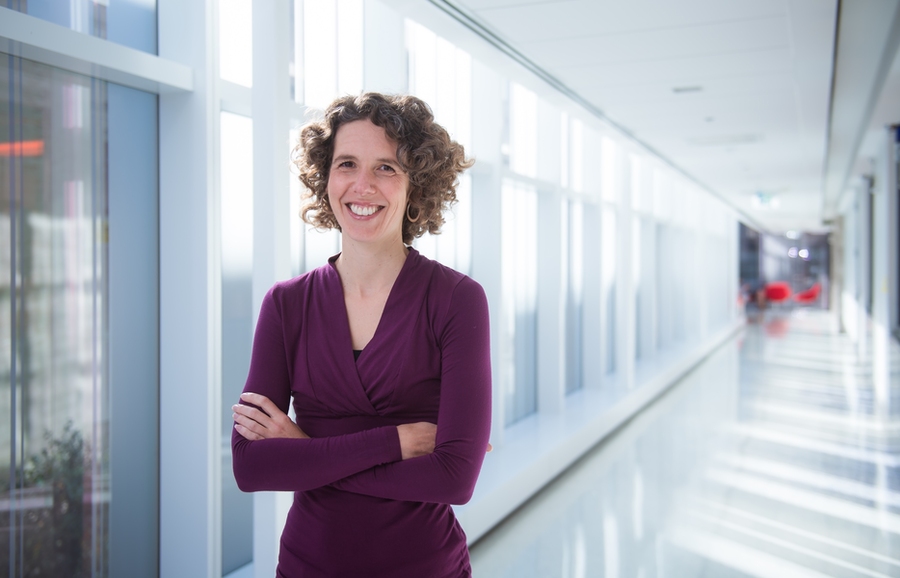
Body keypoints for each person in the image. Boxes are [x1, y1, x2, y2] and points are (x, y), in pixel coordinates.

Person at [230, 92, 492, 578]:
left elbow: (455, 480)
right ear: (325, 178)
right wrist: (395, 442)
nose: (363, 185)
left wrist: (304, 449)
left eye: (387, 168)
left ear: (417, 183)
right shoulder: (286, 305)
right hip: (307, 565)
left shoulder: (457, 299)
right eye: (347, 163)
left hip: (423, 566)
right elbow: (251, 468)